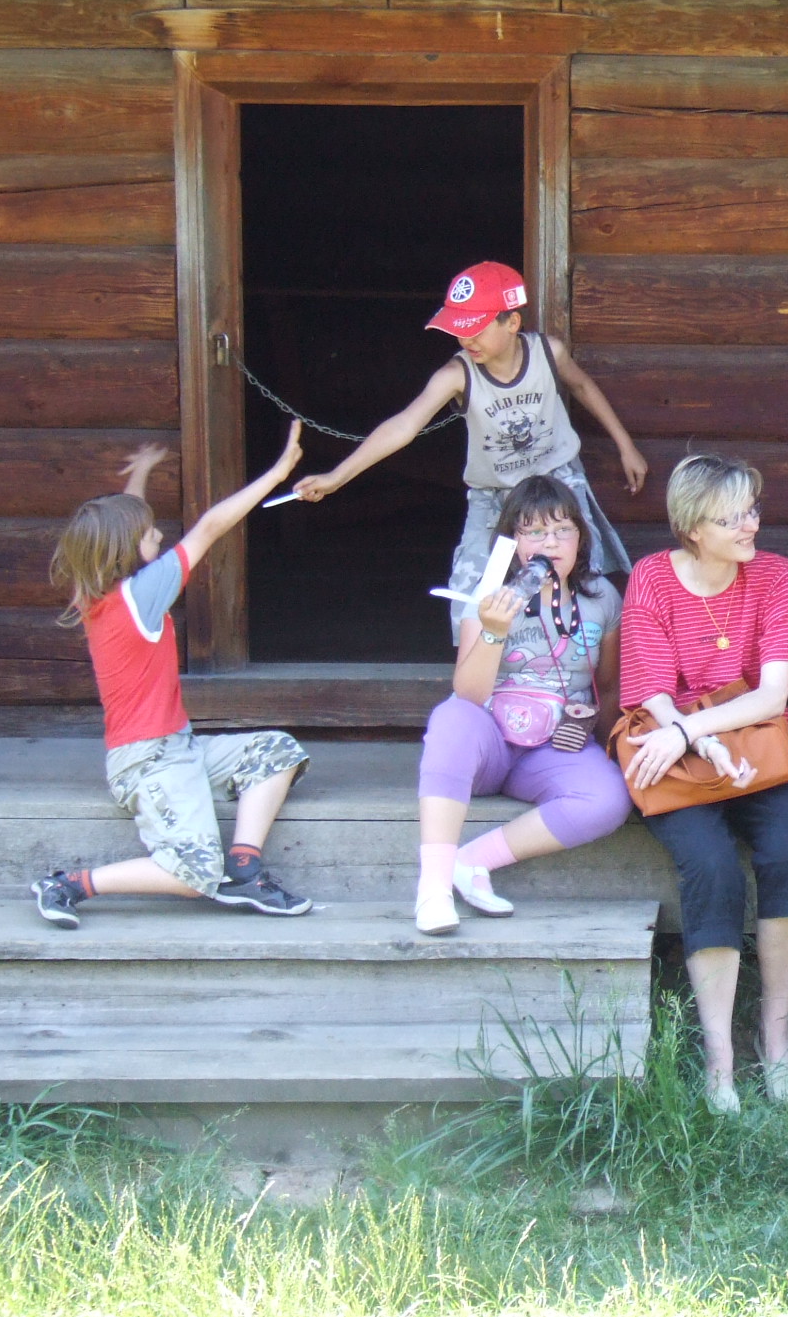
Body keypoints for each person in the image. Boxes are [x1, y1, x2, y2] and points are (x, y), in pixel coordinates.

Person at [33, 426, 314, 927]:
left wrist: (140, 474)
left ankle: (244, 869)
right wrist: (277, 473)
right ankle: (70, 885)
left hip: (175, 747)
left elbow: (123, 524)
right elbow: (209, 527)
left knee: (278, 752)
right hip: (148, 761)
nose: (159, 536)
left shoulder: (95, 590)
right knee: (193, 874)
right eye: (149, 534)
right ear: (127, 548)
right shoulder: (142, 594)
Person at [287, 261, 649, 638]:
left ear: (512, 322)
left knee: (581, 576)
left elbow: (582, 386)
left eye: (476, 329)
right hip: (494, 496)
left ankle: (579, 665)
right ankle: (477, 669)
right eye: (459, 330)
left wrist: (626, 446)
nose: (466, 340)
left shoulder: (548, 353)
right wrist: (337, 477)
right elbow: (403, 426)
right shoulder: (456, 374)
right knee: (471, 595)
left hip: (558, 483)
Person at [618, 454, 788, 1114]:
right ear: (692, 528)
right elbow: (652, 691)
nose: (749, 525)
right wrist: (693, 739)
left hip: (754, 745)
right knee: (712, 870)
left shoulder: (776, 575)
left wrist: (694, 731)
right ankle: (719, 1060)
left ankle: (776, 1037)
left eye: (751, 510)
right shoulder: (652, 577)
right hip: (678, 749)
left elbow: (771, 696)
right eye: (731, 518)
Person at [411, 474, 635, 935]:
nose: (550, 542)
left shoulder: (601, 599)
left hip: (554, 746)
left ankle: (471, 861)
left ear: (580, 538)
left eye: (562, 529)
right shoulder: (490, 595)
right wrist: (494, 629)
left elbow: (608, 686)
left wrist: (610, 749)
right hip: (491, 741)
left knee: (609, 798)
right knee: (450, 717)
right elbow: (469, 693)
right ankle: (433, 888)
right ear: (513, 542)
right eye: (534, 531)